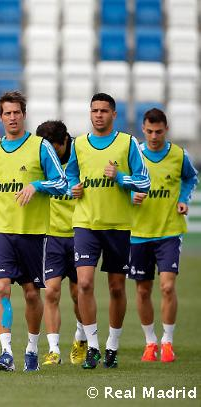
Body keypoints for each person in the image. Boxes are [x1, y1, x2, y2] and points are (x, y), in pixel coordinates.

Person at [0, 91, 67, 372]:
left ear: (23, 115)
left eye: (16, 113)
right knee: (1, 287)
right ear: (0, 117)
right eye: (7, 113)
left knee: (30, 293)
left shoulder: (40, 147)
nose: (12, 118)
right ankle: (6, 353)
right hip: (0, 228)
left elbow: (60, 182)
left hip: (32, 232)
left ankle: (32, 349)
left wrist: (36, 186)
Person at [65, 93, 150, 369]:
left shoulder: (128, 143)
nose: (98, 115)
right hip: (86, 223)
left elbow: (144, 181)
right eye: (94, 110)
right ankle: (92, 346)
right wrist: (73, 187)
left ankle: (112, 345)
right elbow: (71, 176)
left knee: (116, 288)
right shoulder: (78, 144)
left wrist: (121, 177)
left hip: (117, 225)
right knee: (85, 284)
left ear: (114, 114)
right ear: (89, 113)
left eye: (104, 110)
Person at [129, 108, 198, 363]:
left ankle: (168, 341)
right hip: (138, 233)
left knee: (167, 286)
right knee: (143, 291)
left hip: (169, 231)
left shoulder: (179, 155)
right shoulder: (134, 155)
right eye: (149, 131)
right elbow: (122, 184)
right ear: (143, 129)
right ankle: (150, 342)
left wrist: (182, 198)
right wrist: (130, 194)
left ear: (166, 129)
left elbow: (190, 178)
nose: (154, 136)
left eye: (158, 131)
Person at [35, 120, 86, 366]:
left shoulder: (82, 156)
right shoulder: (41, 157)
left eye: (55, 149)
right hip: (52, 236)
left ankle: (81, 337)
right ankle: (53, 350)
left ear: (65, 141)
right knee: (52, 292)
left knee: (79, 295)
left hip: (79, 234)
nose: (51, 155)